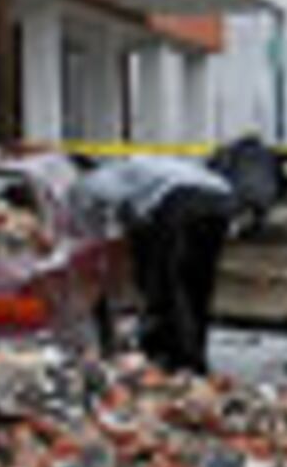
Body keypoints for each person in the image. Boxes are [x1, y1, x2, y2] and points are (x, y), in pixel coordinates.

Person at [76, 153, 241, 372]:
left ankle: (175, 359)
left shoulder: (96, 180)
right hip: (222, 200)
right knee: (199, 284)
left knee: (171, 283)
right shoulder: (146, 169)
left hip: (183, 202)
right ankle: (194, 357)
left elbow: (94, 239)